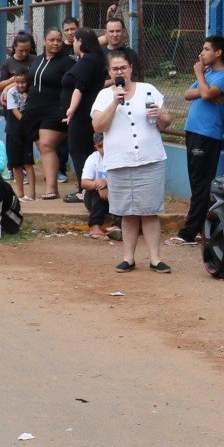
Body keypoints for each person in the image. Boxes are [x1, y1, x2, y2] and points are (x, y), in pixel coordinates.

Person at [90, 47, 172, 272]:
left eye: (123, 67)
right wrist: (115, 103)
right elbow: (98, 126)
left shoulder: (148, 90)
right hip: (120, 161)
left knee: (149, 210)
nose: (120, 72)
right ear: (109, 71)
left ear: (131, 69)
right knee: (127, 211)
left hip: (150, 159)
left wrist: (160, 115)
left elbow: (166, 122)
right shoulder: (104, 96)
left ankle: (155, 259)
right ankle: (128, 258)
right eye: (115, 68)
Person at [170, 35, 224, 248]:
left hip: (207, 135)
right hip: (194, 131)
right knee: (198, 184)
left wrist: (201, 79)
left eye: (207, 49)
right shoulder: (208, 74)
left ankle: (188, 234)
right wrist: (205, 88)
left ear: (218, 53)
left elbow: (206, 94)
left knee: (200, 185)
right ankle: (202, 230)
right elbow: (188, 94)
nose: (202, 53)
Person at [62, 23, 111, 201]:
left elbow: (79, 87)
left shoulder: (89, 60)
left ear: (80, 41)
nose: (72, 43)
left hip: (82, 113)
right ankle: (89, 186)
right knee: (84, 149)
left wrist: (71, 110)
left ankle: (86, 189)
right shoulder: (93, 58)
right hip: (84, 112)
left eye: (74, 40)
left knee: (77, 149)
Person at [25, 28, 74, 201]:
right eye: (52, 40)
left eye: (59, 40)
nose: (55, 43)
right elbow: (28, 82)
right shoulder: (37, 60)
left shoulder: (67, 62)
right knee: (43, 148)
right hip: (34, 111)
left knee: (46, 145)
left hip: (55, 109)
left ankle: (51, 188)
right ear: (44, 41)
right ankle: (51, 184)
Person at [0, 34, 35, 198]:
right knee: (16, 162)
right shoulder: (7, 63)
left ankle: (31, 193)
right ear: (14, 48)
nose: (25, 53)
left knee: (28, 161)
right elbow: (0, 85)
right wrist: (14, 81)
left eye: (28, 49)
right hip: (15, 122)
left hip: (28, 122)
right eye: (21, 50)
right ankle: (19, 193)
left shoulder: (35, 60)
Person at [79, 132, 113, 239]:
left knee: (124, 191)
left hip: (115, 198)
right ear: (95, 147)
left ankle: (118, 226)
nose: (104, 148)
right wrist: (99, 185)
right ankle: (95, 225)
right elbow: (84, 183)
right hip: (95, 200)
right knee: (95, 191)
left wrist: (107, 182)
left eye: (107, 145)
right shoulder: (93, 158)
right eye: (100, 146)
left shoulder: (121, 158)